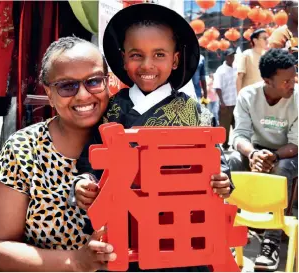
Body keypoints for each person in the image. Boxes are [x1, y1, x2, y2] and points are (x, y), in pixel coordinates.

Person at [73, 3, 234, 271]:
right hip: (124, 234)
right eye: (137, 55)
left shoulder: (196, 114)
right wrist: (83, 184)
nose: (147, 65)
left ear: (175, 59)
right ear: (123, 59)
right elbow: (89, 161)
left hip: (181, 234)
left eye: (159, 54)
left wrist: (222, 182)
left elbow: (218, 162)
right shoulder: (110, 109)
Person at [0, 37, 117, 272]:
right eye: (67, 86)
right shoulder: (24, 148)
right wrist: (77, 262)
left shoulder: (130, 141)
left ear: (108, 82)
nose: (83, 95)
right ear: (49, 93)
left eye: (93, 81)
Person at [229, 48, 298, 272]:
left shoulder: (297, 99)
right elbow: (239, 135)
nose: (292, 83)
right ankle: (229, 233)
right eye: (286, 80)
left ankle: (271, 243)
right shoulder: (248, 96)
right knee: (230, 163)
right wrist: (253, 154)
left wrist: (274, 155)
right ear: (267, 80)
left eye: (294, 77)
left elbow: (296, 143)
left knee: (282, 168)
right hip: (256, 149)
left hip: (288, 153)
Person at [213, 48, 237, 150]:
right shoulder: (221, 70)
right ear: (226, 57)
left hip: (236, 103)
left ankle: (237, 145)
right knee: (225, 127)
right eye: (230, 56)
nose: (232, 58)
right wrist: (222, 102)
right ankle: (225, 145)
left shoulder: (236, 69)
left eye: (233, 56)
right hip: (226, 104)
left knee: (237, 126)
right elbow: (218, 87)